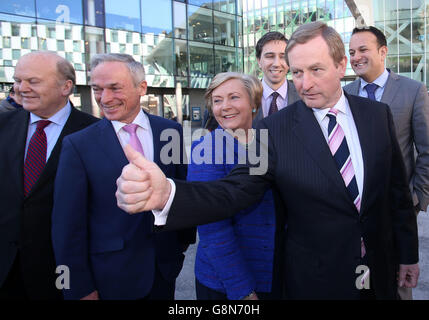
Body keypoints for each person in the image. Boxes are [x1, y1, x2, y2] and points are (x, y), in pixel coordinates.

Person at [116, 21, 420, 300]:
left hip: (380, 269)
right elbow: (234, 190)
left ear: (341, 65)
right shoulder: (274, 129)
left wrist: (408, 253)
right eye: (297, 73)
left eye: (316, 70)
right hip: (315, 281)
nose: (305, 84)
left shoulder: (376, 115)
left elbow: (396, 193)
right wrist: (169, 194)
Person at [51, 53, 195, 300]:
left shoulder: (170, 131)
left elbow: (181, 188)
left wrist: (180, 247)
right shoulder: (78, 145)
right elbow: (66, 225)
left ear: (142, 87)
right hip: (109, 280)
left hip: (164, 272)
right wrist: (79, 288)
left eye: (115, 88)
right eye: (97, 89)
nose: (104, 98)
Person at [0, 51, 98, 300]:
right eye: (18, 80)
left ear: (66, 87)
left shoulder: (96, 133)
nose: (22, 88)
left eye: (33, 81)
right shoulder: (2, 125)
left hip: (62, 275)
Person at [344, 26, 429, 300]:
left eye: (363, 50)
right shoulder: (344, 94)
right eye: (352, 52)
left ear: (383, 51)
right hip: (356, 211)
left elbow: (427, 150)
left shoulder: (414, 91)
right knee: (363, 280)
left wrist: (417, 197)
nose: (356, 57)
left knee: (398, 282)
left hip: (398, 209)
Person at [188, 72, 281, 300]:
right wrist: (242, 291)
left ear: (254, 103)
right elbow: (212, 229)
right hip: (229, 284)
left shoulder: (268, 141)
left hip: (273, 273)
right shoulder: (206, 150)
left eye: (234, 97)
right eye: (217, 100)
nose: (225, 107)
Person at [253, 31, 300, 123]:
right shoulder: (246, 96)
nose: (276, 64)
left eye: (282, 57)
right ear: (259, 61)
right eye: (270, 56)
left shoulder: (303, 96)